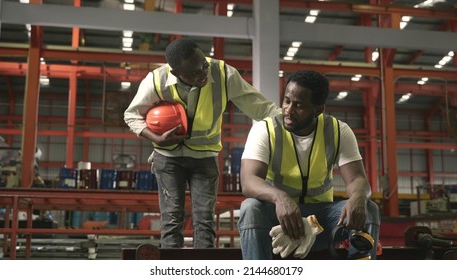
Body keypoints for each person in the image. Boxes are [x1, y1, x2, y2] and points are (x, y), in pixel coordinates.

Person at [124, 38, 280, 248]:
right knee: (171, 220)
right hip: (168, 158)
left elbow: (261, 108)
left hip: (204, 157)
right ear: (176, 73)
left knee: (205, 221)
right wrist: (156, 138)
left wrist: (289, 120)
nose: (203, 73)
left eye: (204, 65)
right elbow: (132, 115)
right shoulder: (156, 80)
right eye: (195, 73)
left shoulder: (224, 74)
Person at [237, 70, 380, 259]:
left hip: (321, 223)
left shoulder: (338, 131)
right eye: (287, 101)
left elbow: (357, 179)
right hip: (278, 223)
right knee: (250, 209)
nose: (288, 110)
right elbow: (249, 180)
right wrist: (280, 198)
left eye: (299, 106)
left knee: (369, 209)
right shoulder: (265, 129)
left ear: (318, 109)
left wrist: (359, 196)